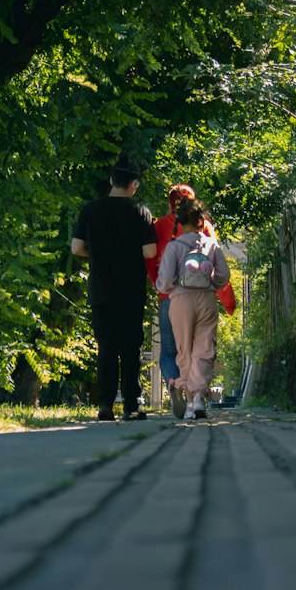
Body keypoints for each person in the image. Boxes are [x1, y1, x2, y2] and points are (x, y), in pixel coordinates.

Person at [71, 157, 157, 421]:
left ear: (110, 181)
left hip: (101, 288)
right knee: (130, 347)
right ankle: (131, 404)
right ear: (133, 184)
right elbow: (150, 250)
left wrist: (96, 256)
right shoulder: (141, 211)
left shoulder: (91, 210)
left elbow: (76, 248)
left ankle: (105, 403)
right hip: (131, 290)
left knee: (106, 346)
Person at [155, 198, 230, 420]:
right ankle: (198, 398)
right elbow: (224, 276)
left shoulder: (174, 246)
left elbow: (166, 279)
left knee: (184, 350)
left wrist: (167, 287)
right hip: (206, 300)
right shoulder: (211, 245)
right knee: (204, 349)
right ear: (201, 220)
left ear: (179, 222)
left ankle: (189, 401)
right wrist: (211, 286)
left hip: (180, 301)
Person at [145, 183, 216, 393]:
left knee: (169, 350)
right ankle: (195, 395)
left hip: (170, 298)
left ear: (170, 204)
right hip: (202, 296)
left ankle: (174, 383)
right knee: (199, 349)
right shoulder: (205, 226)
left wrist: (159, 286)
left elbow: (149, 261)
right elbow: (214, 259)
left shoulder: (157, 227)